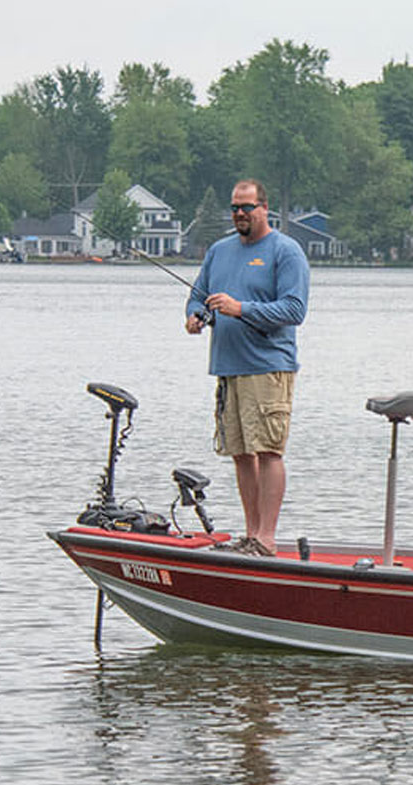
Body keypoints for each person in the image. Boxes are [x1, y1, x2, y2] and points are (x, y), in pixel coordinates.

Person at [185, 179, 309, 556]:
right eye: (235, 208)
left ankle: (266, 539)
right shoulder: (219, 252)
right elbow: (197, 295)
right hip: (228, 367)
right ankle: (251, 534)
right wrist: (195, 316)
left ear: (264, 209)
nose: (240, 214)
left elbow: (294, 310)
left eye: (247, 207)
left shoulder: (285, 252)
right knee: (240, 452)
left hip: (268, 367)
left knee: (268, 450)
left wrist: (241, 308)